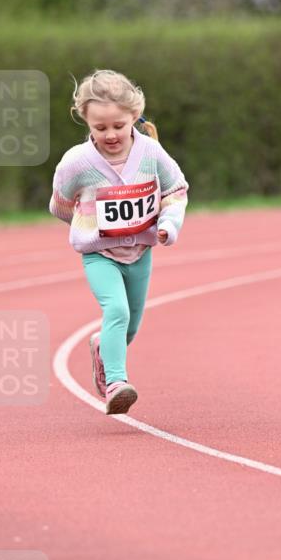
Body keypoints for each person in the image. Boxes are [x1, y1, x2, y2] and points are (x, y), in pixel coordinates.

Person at [49, 69, 188, 414]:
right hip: (100, 256)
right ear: (85, 120)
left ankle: (102, 347)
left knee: (131, 326)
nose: (110, 134)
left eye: (118, 126)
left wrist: (168, 224)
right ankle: (116, 384)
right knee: (117, 310)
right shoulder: (76, 163)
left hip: (140, 253)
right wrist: (88, 227)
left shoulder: (151, 152)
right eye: (100, 128)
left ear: (134, 115)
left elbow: (176, 189)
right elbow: (60, 204)